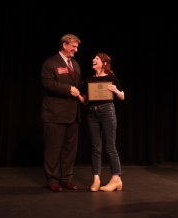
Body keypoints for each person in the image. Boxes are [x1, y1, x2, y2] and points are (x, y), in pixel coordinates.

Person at [78, 52, 125, 192]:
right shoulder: (89, 79)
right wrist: (77, 95)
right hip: (92, 113)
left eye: (96, 58)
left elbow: (122, 96)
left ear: (104, 63)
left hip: (107, 111)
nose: (93, 60)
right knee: (95, 147)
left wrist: (116, 90)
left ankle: (116, 178)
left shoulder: (111, 78)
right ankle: (96, 179)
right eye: (94, 58)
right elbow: (85, 101)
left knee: (110, 146)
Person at [41, 33, 82, 192]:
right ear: (64, 45)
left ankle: (66, 179)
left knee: (69, 149)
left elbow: (79, 85)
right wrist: (68, 89)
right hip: (55, 114)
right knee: (53, 148)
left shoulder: (76, 64)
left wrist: (97, 84)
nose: (76, 50)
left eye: (77, 47)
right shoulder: (50, 63)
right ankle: (52, 180)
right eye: (73, 46)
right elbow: (48, 84)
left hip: (72, 114)